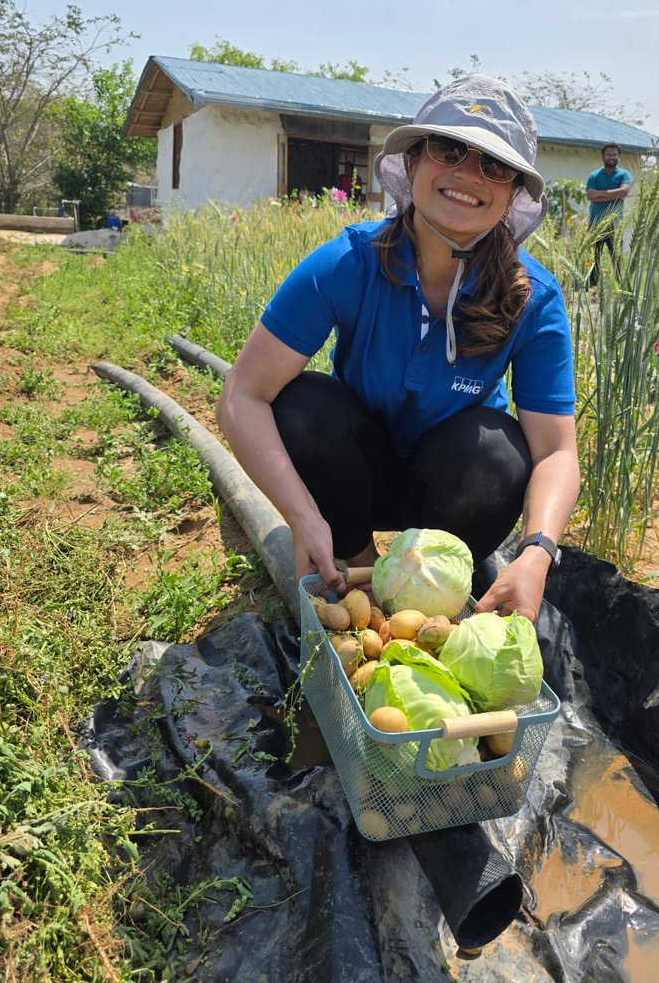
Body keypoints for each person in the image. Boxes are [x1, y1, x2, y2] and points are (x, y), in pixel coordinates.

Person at [217, 76, 581, 624]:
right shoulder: (347, 264)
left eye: (494, 165)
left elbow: (555, 452)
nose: (467, 175)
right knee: (303, 406)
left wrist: (537, 552)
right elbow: (242, 396)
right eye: (448, 149)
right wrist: (302, 516)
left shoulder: (533, 298)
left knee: (499, 453)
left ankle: (428, 591)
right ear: (412, 161)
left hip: (451, 492)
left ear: (511, 195)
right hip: (355, 484)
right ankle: (356, 566)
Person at [585, 143, 631, 287]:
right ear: (603, 156)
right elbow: (590, 196)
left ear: (618, 157)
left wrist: (600, 194)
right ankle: (592, 286)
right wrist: (614, 194)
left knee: (616, 257)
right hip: (595, 223)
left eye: (614, 154)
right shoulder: (595, 175)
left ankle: (621, 286)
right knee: (593, 257)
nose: (611, 157)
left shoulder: (624, 174)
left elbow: (624, 192)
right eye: (609, 154)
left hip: (615, 224)